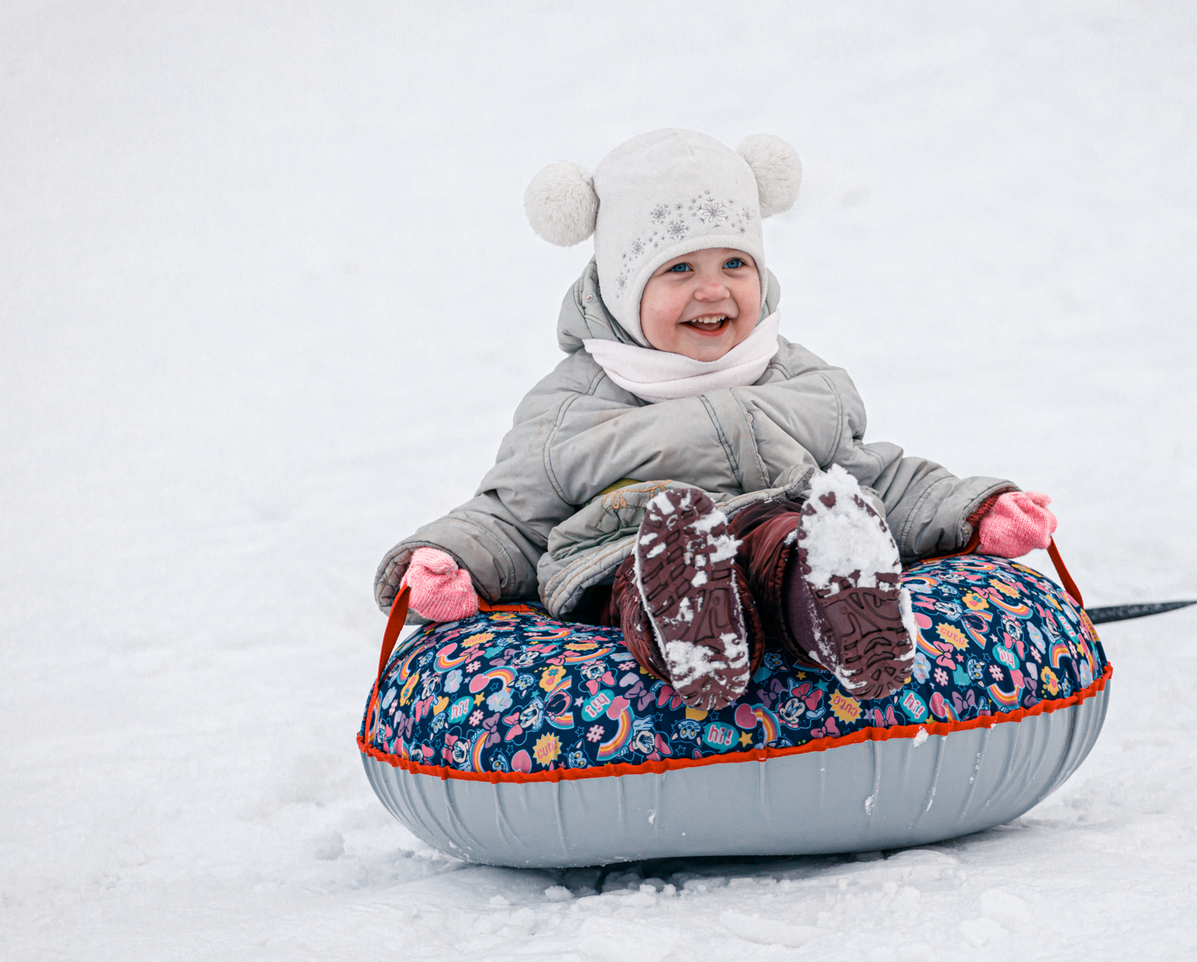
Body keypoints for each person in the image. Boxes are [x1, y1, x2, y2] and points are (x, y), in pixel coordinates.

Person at [372, 129, 1059, 709]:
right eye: (678, 270)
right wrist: (449, 557)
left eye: (735, 262)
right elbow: (512, 517)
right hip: (628, 548)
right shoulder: (572, 407)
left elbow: (876, 474)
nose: (713, 289)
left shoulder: (797, 379)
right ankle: (691, 624)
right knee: (651, 563)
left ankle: (842, 607)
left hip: (769, 523)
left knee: (794, 536)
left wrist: (973, 508)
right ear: (620, 288)